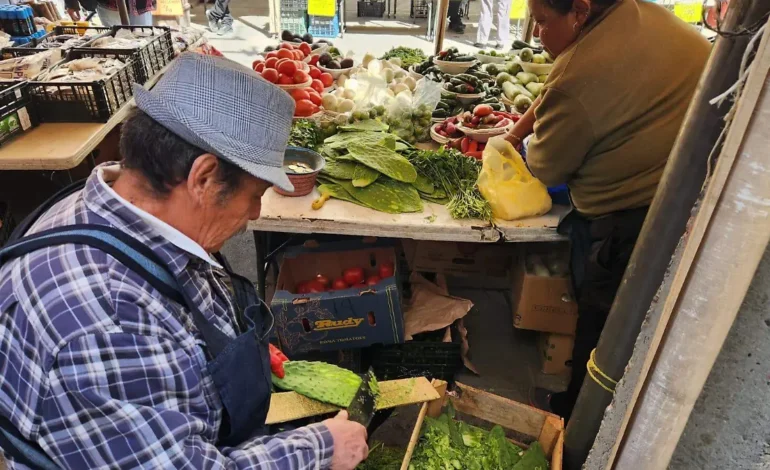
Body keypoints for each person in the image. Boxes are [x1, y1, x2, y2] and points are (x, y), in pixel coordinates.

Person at [0, 53, 368, 469]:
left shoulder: (107, 202)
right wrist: (319, 449)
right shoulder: (108, 321)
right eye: (255, 195)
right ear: (205, 178)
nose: (254, 214)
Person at [505, 0, 711, 421]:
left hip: (626, 215)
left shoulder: (579, 73)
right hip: (689, 194)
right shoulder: (642, 12)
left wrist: (525, 142)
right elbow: (552, 93)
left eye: (542, 21)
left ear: (579, 12)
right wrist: (514, 132)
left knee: (602, 324)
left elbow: (547, 165)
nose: (536, 33)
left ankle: (578, 419)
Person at [66, 0, 154, 26]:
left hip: (139, 4)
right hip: (108, 5)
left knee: (144, 41)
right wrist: (71, 3)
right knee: (116, 45)